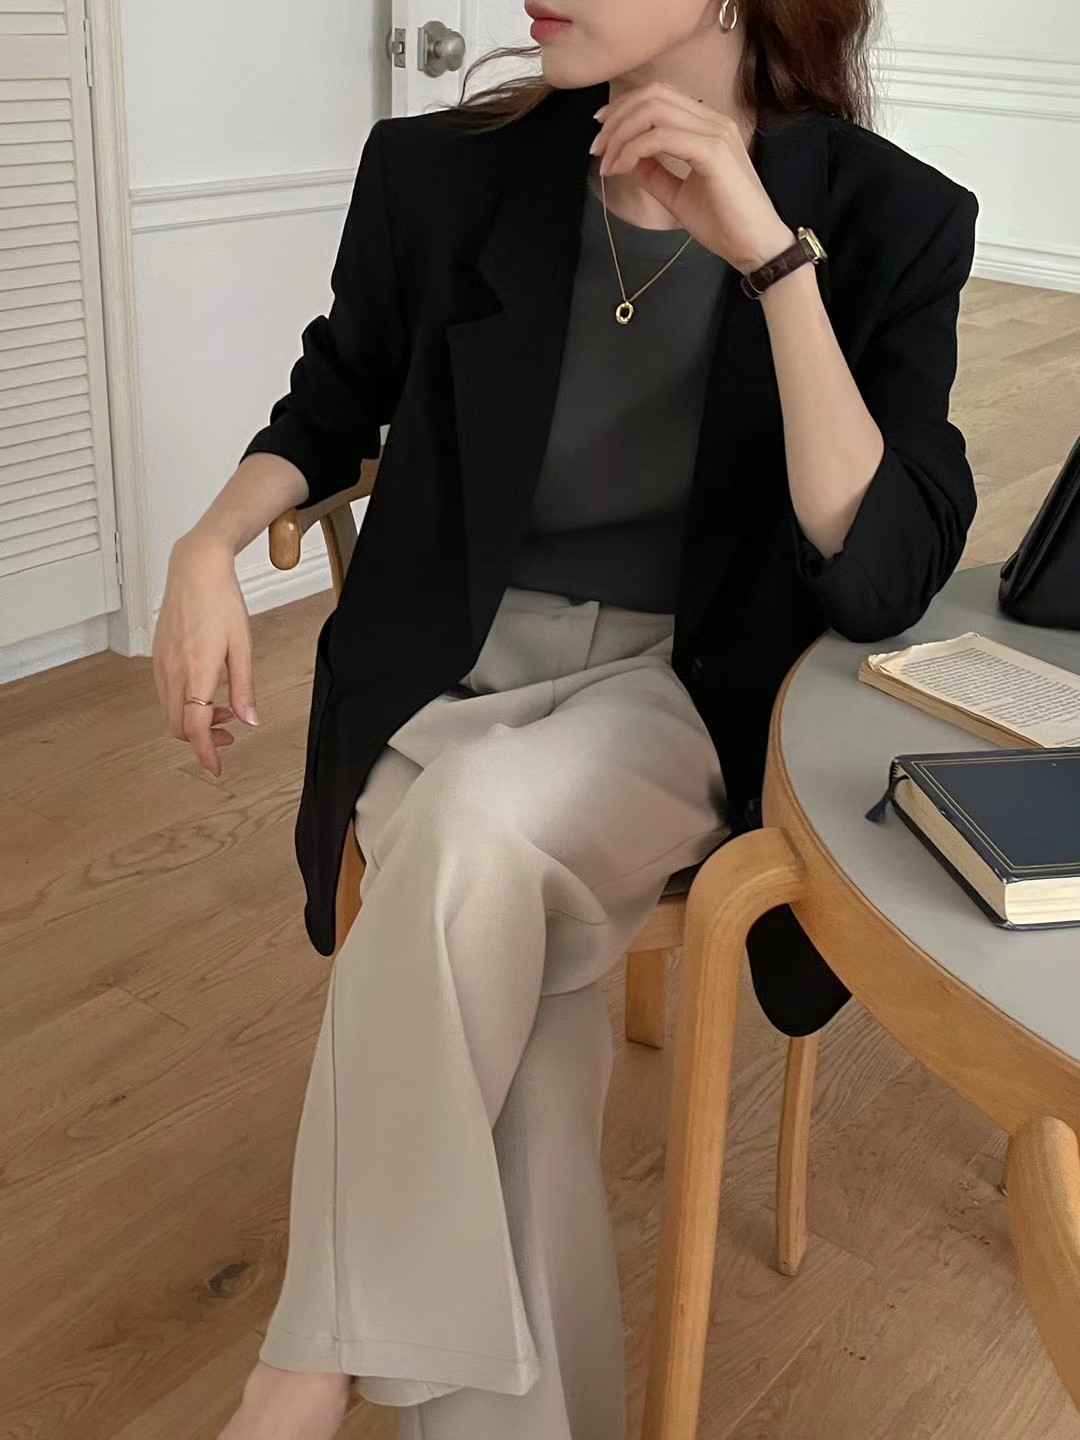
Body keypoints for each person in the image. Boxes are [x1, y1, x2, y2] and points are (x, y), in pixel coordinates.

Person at [152, 0, 979, 1435]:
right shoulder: (439, 174)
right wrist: (204, 546)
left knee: (473, 835)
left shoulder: (889, 217)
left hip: (674, 692)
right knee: (524, 1027)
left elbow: (878, 568)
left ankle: (305, 1371)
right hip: (445, 671)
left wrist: (773, 263)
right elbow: (333, 397)